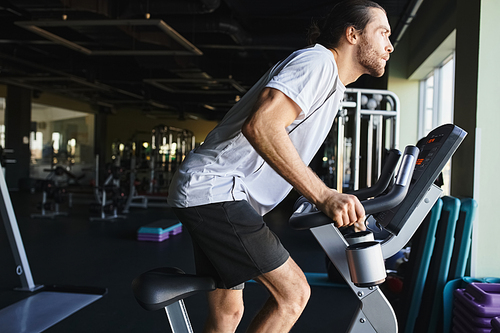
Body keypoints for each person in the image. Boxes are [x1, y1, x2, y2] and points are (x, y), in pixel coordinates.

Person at [167, 0, 394, 331]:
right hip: (216, 190)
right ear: (352, 34)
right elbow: (262, 125)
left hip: (216, 192)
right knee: (293, 294)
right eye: (383, 33)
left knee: (228, 311)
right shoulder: (317, 62)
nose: (389, 45)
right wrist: (323, 195)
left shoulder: (333, 86)